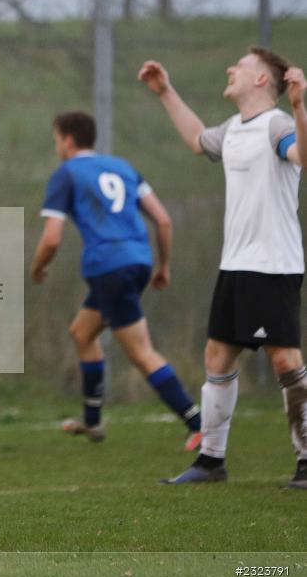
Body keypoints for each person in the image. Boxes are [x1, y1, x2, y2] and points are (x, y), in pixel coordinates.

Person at [139, 47, 307, 486]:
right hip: (236, 264)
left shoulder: (278, 125)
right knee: (217, 356)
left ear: (260, 81)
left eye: (242, 66)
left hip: (273, 265)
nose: (231, 69)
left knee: (286, 361)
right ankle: (211, 462)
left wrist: (300, 106)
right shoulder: (234, 129)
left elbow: (302, 157)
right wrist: (165, 92)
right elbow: (198, 141)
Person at [31, 111, 202, 449]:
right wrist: (163, 266)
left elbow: (51, 239)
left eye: (56, 140)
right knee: (82, 332)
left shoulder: (67, 174)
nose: (57, 147)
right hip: (137, 262)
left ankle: (199, 424)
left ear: (67, 140)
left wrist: (38, 267)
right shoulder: (123, 167)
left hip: (110, 268)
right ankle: (93, 423)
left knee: (141, 353)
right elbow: (164, 221)